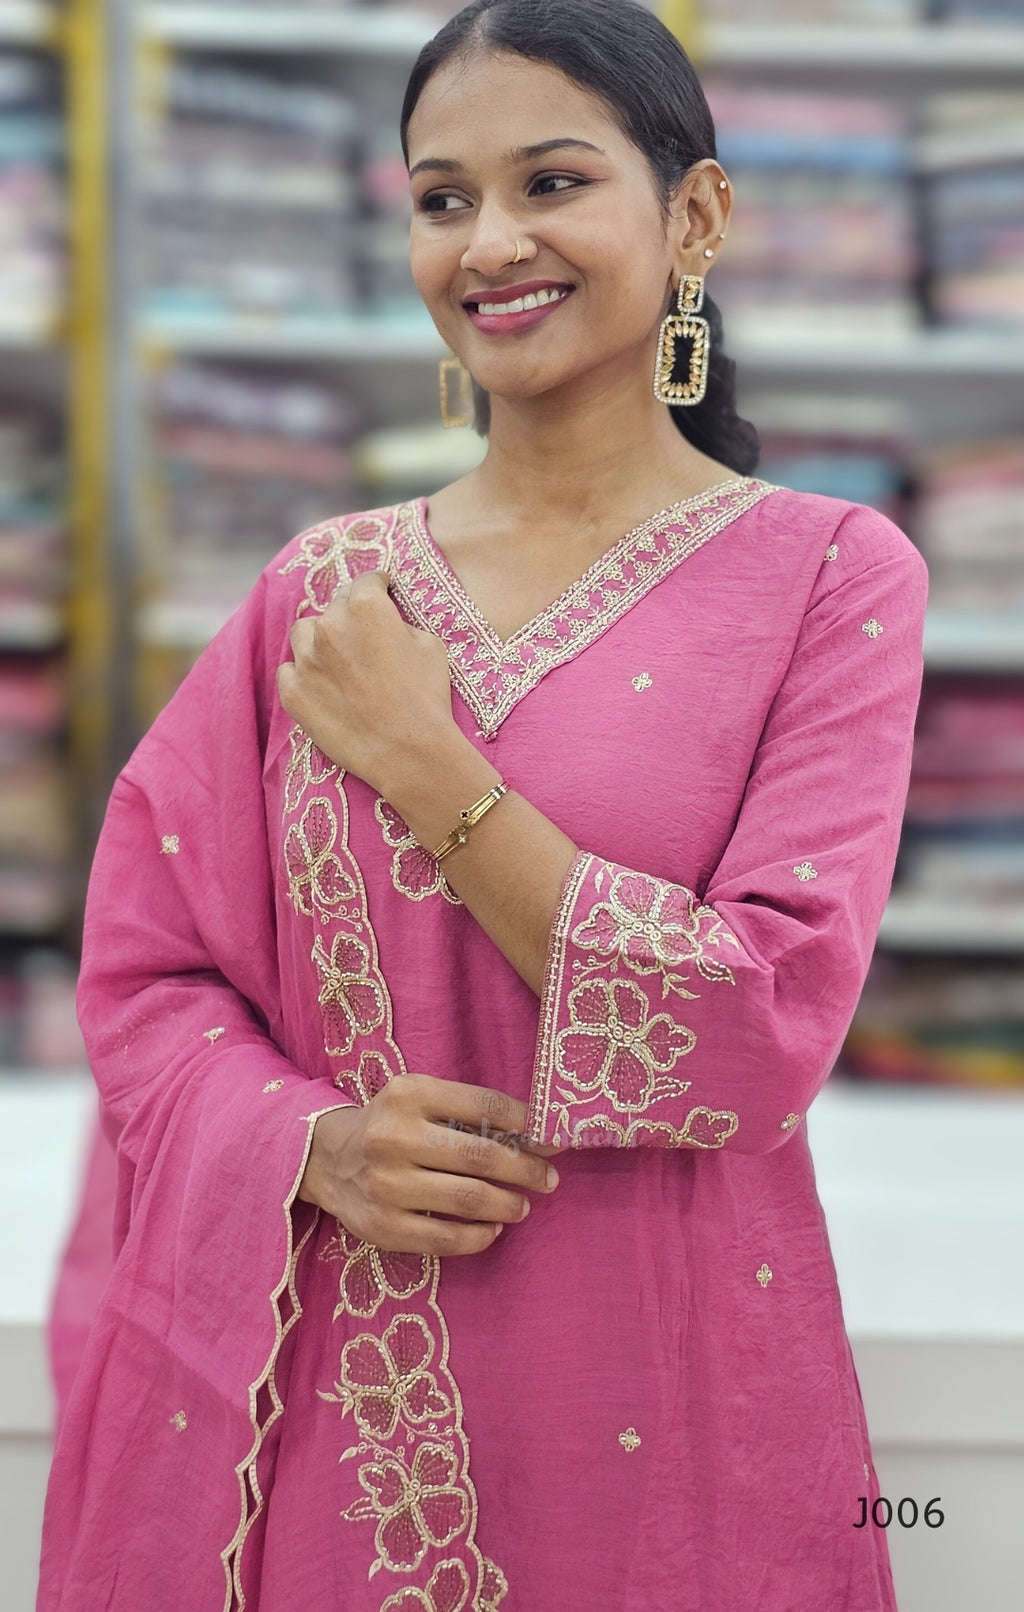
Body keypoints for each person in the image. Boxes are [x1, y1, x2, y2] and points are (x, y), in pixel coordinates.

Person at [38, 2, 928, 1608]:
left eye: (552, 182)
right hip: (335, 1409)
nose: (490, 242)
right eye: (442, 198)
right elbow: (151, 971)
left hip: (665, 1400)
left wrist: (432, 768)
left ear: (698, 215)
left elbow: (761, 1024)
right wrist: (309, 1143)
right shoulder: (321, 593)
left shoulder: (828, 579)